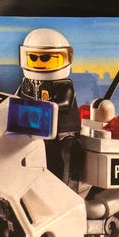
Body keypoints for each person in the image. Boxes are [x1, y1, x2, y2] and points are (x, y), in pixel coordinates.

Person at [16, 28, 82, 189]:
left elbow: (64, 104)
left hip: (62, 133)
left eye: (46, 58)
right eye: (33, 58)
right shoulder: (27, 84)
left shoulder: (64, 85)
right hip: (35, 131)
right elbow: (15, 98)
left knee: (69, 151)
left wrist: (42, 107)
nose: (39, 63)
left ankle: (68, 189)